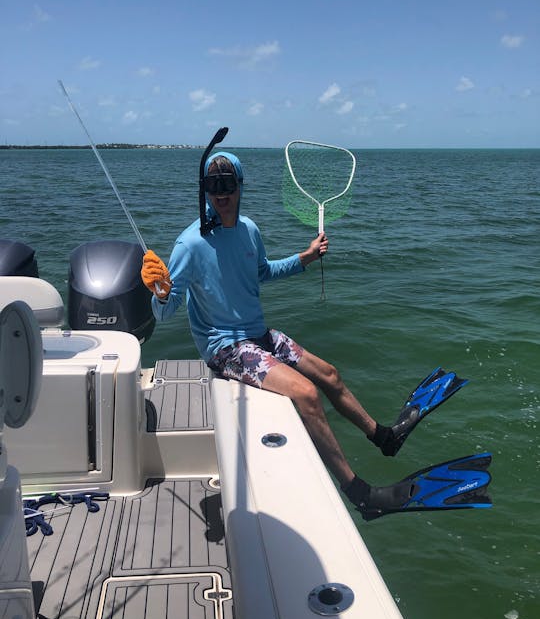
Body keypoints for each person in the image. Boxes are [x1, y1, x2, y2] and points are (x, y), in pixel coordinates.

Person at [141, 152, 446, 516]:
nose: (220, 194)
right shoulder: (190, 245)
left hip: (257, 335)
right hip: (225, 346)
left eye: (227, 185)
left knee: (329, 374)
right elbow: (164, 310)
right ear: (203, 190)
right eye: (212, 186)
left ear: (240, 186)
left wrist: (307, 256)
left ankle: (383, 437)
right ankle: (358, 492)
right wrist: (159, 290)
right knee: (306, 393)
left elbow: (263, 272)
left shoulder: (249, 230)